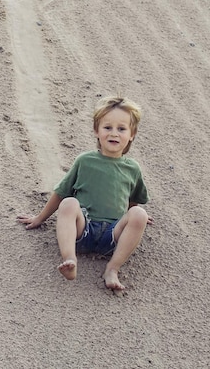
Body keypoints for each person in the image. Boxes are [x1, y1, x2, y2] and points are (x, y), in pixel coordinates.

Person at [17, 96, 152, 292]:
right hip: (83, 230)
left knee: (140, 214)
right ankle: (70, 259)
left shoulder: (133, 168)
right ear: (97, 131)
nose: (114, 133)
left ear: (132, 134)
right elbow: (61, 193)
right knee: (70, 203)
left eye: (121, 129)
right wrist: (40, 218)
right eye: (107, 128)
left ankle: (112, 269)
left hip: (112, 236)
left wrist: (136, 218)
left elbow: (134, 199)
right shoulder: (85, 161)